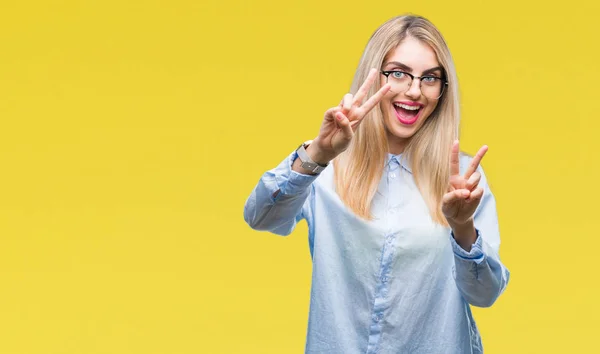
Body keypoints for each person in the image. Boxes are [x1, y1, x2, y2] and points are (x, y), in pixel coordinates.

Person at [243, 14, 510, 354]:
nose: (414, 90)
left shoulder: (462, 180)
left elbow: (484, 295)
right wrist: (318, 154)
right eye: (398, 73)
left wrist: (462, 225)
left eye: (430, 78)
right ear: (374, 74)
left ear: (443, 91)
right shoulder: (327, 166)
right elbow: (260, 217)